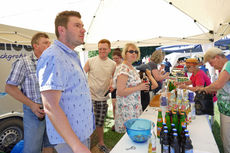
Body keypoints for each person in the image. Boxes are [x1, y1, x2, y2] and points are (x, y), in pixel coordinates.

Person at [36, 11, 94, 153]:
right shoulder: (54, 56)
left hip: (80, 133)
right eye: (77, 25)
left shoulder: (69, 55)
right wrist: (76, 145)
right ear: (62, 30)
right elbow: (50, 105)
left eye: (82, 25)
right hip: (71, 140)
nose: (83, 29)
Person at [5, 32, 53, 153]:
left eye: (49, 42)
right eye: (45, 43)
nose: (49, 45)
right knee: (32, 149)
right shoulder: (23, 62)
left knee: (49, 144)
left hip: (52, 111)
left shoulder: (51, 63)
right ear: (35, 45)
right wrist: (32, 105)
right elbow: (9, 88)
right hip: (34, 113)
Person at [84, 39, 116, 153]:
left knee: (100, 123)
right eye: (100, 49)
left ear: (109, 50)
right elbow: (82, 75)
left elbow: (114, 78)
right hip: (90, 98)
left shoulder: (113, 64)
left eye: (104, 49)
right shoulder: (91, 61)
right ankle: (87, 146)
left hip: (103, 99)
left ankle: (101, 143)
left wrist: (112, 85)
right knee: (88, 123)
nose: (102, 51)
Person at [196, 47, 230, 153]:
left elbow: (218, 84)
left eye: (211, 63)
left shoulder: (228, 66)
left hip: (228, 111)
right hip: (225, 110)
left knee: (227, 141)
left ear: (217, 57)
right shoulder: (224, 67)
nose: (212, 66)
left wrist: (204, 89)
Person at [113, 43, 150, 133]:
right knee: (131, 133)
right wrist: (139, 87)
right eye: (131, 51)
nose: (134, 53)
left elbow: (132, 85)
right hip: (127, 108)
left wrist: (142, 84)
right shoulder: (124, 69)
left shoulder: (132, 68)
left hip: (134, 106)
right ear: (125, 54)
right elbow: (121, 91)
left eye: (136, 52)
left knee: (134, 131)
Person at [111, 48, 123, 131]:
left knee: (119, 106)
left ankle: (120, 122)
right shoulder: (113, 66)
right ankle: (115, 122)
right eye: (114, 58)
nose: (115, 60)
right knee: (114, 105)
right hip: (113, 88)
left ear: (121, 57)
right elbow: (111, 77)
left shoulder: (122, 66)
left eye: (116, 58)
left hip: (119, 88)